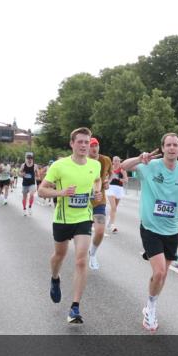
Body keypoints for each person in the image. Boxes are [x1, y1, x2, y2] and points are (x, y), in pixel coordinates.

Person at [120, 133, 178, 332]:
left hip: (172, 229)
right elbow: (123, 166)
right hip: (150, 227)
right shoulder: (150, 165)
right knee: (159, 272)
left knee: (163, 274)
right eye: (168, 145)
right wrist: (139, 158)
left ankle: (151, 303)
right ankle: (151, 309)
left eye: (175, 145)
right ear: (163, 147)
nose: (172, 148)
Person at [36, 127, 103, 324]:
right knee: (59, 255)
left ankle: (75, 308)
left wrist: (96, 191)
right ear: (72, 144)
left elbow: (97, 180)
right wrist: (61, 192)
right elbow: (41, 190)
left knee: (81, 260)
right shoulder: (59, 166)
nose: (84, 145)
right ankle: (55, 278)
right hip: (63, 219)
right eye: (80, 142)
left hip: (83, 218)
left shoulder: (95, 165)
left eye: (87, 142)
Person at [87, 138, 113, 270]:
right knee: (82, 234)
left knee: (100, 231)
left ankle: (92, 253)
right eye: (91, 146)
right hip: (83, 202)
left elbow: (111, 174)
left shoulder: (106, 160)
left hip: (99, 201)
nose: (94, 148)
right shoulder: (83, 160)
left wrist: (108, 181)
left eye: (96, 145)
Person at [107, 156, 126, 233]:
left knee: (114, 208)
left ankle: (109, 221)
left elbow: (126, 180)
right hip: (111, 188)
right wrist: (110, 179)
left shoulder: (122, 169)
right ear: (112, 161)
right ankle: (112, 225)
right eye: (115, 161)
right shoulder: (110, 169)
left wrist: (118, 178)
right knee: (113, 207)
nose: (117, 162)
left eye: (118, 161)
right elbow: (107, 179)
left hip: (119, 189)